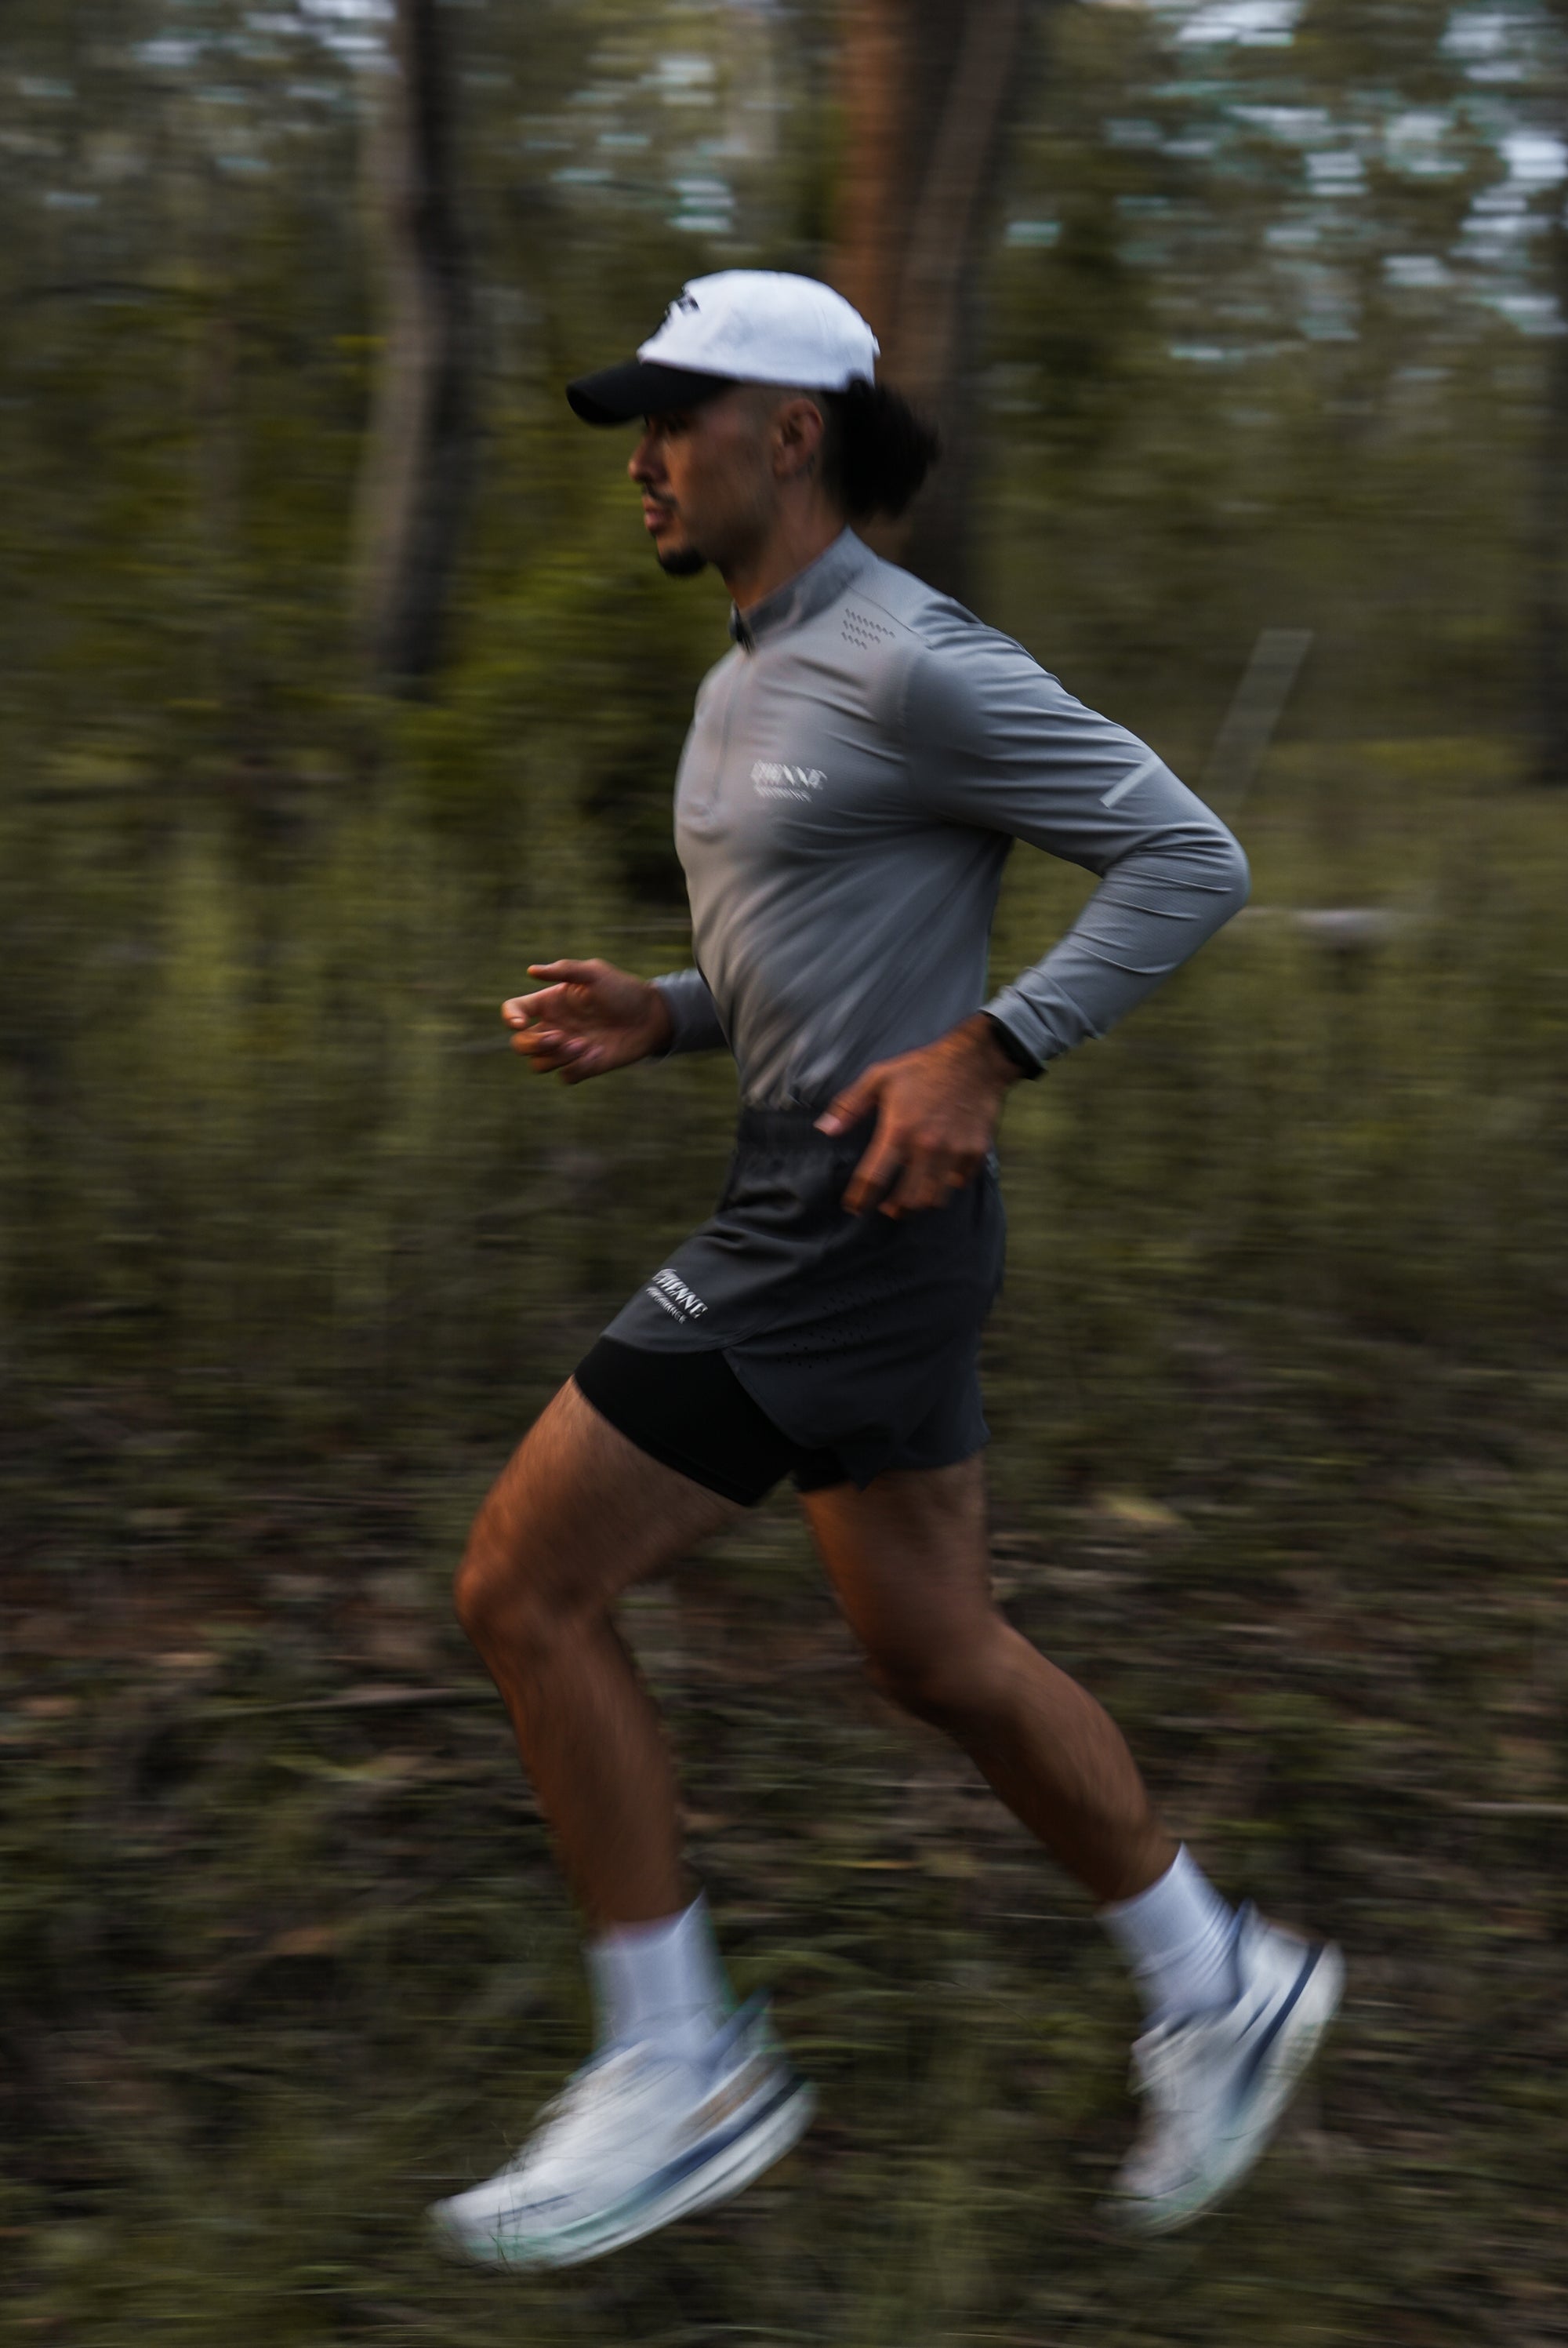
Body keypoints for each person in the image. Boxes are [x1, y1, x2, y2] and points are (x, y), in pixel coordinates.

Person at [430, 271, 1341, 2268]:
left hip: (837, 1230)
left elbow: (1189, 857)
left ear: (795, 430)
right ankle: (1221, 1980)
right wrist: (662, 1013)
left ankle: (682, 2073)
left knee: (525, 1580)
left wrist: (989, 1053)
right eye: (637, 422)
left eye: (678, 415)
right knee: (933, 1650)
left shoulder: (914, 656)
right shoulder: (744, 679)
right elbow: (832, 947)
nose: (645, 457)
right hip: (849, 1205)